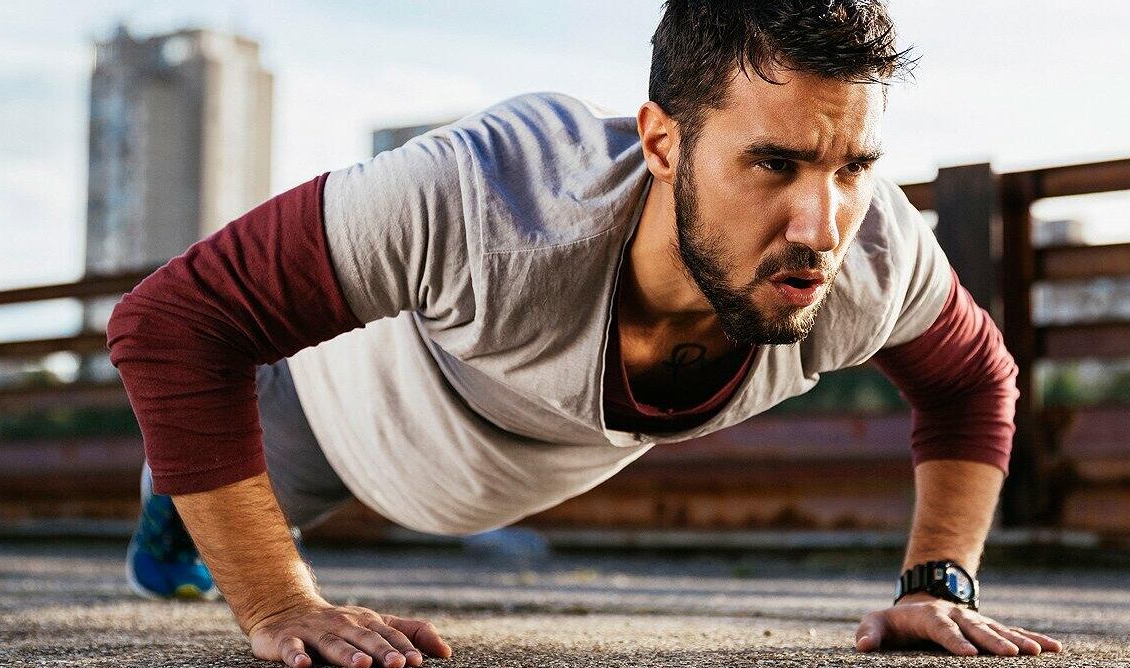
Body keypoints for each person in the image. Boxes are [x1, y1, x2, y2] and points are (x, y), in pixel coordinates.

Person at [107, 1, 1065, 666]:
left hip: (517, 468)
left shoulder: (875, 255)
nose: (820, 226)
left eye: (852, 164)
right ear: (660, 142)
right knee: (188, 541)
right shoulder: (486, 193)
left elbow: (974, 383)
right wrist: (277, 603)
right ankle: (171, 511)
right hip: (334, 415)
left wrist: (937, 581)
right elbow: (172, 322)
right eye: (772, 163)